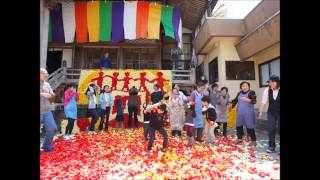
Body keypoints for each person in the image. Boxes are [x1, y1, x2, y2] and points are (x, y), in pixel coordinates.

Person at [231, 81, 257, 146]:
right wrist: (231, 106)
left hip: (248, 113)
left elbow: (254, 101)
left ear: (249, 87)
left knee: (250, 126)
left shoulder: (251, 92)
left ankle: (253, 141)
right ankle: (239, 139)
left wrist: (249, 100)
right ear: (241, 87)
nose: (245, 87)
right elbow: (235, 101)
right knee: (239, 126)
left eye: (246, 86)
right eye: (243, 86)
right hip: (240, 113)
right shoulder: (239, 93)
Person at [258, 75, 280, 153]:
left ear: (276, 82)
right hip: (271, 112)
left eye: (271, 82)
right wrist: (260, 112)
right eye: (269, 82)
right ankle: (271, 146)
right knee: (271, 129)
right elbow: (263, 102)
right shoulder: (267, 90)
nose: (269, 84)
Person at [40, 68, 57, 152]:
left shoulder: (47, 84)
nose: (47, 75)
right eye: (44, 73)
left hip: (47, 112)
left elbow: (52, 96)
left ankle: (46, 146)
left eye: (47, 73)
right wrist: (42, 94)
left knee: (52, 128)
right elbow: (44, 94)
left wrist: (52, 95)